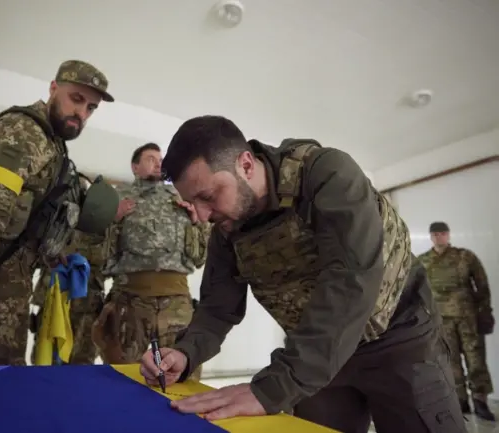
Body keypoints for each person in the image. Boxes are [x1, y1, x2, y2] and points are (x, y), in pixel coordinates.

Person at [140, 115, 467, 433]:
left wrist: (270, 389)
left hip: (400, 342)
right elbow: (217, 306)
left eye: (208, 197)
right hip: (315, 353)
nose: (200, 215)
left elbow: (351, 281)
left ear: (246, 165)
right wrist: (185, 353)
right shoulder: (227, 226)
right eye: (192, 203)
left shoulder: (326, 174)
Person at [0, 60, 115, 372]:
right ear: (53, 88)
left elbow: (29, 214)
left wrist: (51, 254)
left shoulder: (52, 144)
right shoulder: (25, 133)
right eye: (76, 99)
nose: (82, 114)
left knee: (2, 379)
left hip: (11, 283)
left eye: (91, 108)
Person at [93, 143, 210, 378]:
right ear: (135, 167)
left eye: (160, 158)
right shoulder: (116, 198)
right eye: (150, 158)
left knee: (183, 375)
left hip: (176, 303)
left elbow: (199, 258)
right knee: (122, 374)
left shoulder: (182, 198)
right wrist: (112, 219)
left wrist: (198, 223)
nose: (158, 163)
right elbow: (99, 256)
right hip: (130, 300)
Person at [29, 195, 133, 365]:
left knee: (82, 364)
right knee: (47, 364)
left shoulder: (110, 228)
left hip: (87, 308)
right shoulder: (62, 217)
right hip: (56, 301)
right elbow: (57, 253)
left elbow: (113, 263)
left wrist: (113, 222)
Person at [418, 222, 495, 421]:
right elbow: (416, 291)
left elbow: (482, 285)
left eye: (442, 233)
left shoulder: (465, 256)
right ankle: (460, 402)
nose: (439, 237)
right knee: (449, 361)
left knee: (475, 359)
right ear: (431, 237)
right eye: (435, 234)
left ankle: (480, 401)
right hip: (440, 320)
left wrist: (485, 312)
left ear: (448, 235)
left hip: (467, 318)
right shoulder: (422, 261)